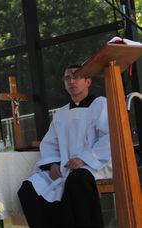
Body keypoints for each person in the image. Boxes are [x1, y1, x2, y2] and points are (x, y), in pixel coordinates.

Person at [17, 64, 111, 228]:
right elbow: (50, 144)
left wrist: (84, 159)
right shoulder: (61, 113)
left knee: (77, 180)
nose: (71, 81)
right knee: (28, 188)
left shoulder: (101, 104)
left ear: (88, 81)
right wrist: (52, 164)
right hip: (66, 167)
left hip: (95, 165)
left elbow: (110, 137)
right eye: (67, 77)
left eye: (76, 76)